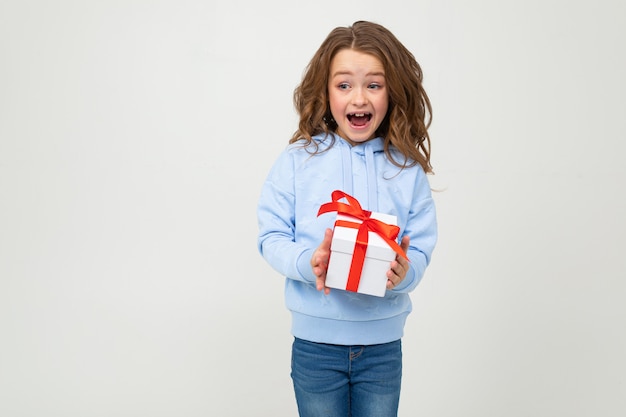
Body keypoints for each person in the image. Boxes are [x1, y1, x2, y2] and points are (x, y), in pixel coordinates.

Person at [257, 20, 437, 417]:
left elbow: (421, 244)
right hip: (315, 346)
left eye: (373, 84)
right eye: (344, 85)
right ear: (324, 92)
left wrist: (405, 274)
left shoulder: (406, 169)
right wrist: (309, 262)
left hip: (382, 348)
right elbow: (271, 235)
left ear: (393, 92)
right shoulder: (298, 161)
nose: (359, 97)